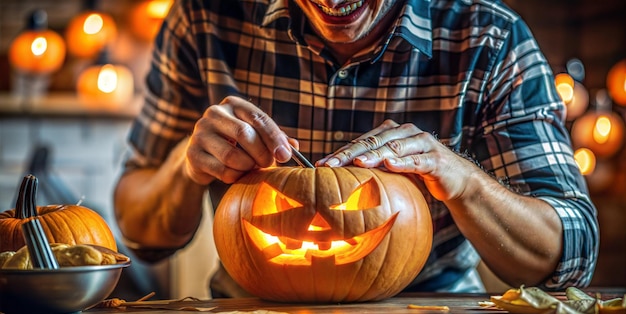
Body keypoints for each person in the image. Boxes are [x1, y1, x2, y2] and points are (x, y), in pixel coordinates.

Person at [113, 0, 599, 297]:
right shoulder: (204, 15)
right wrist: (186, 165)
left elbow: (570, 257)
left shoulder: (491, 36)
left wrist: (463, 180)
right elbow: (139, 233)